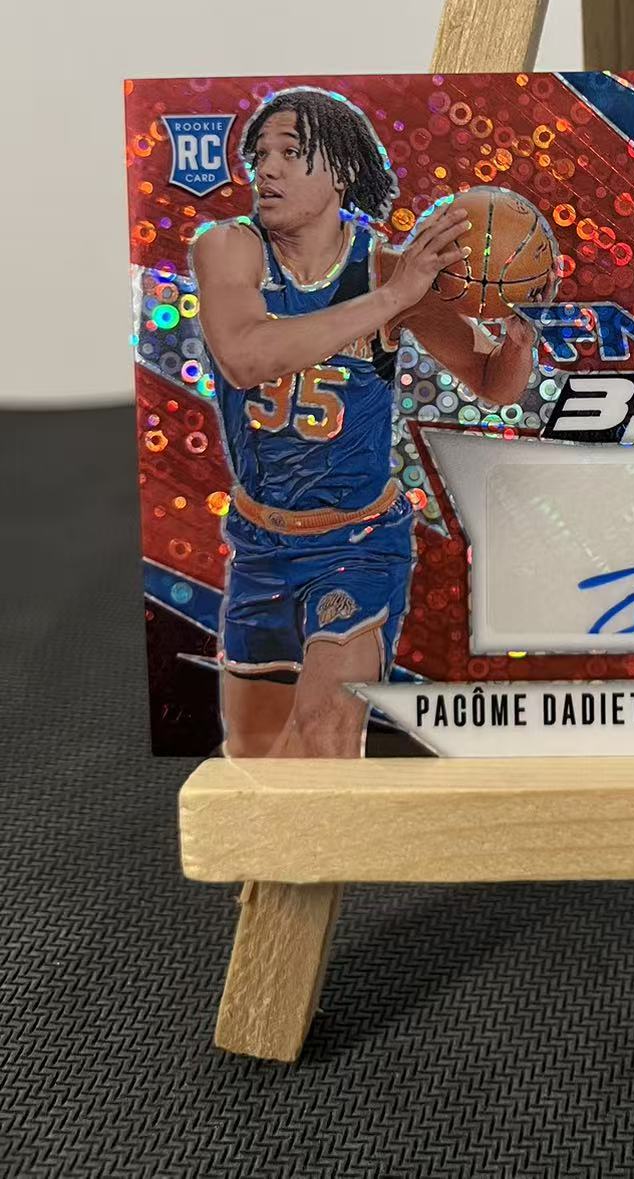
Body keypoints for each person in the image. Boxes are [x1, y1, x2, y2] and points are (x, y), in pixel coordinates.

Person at [191, 87, 537, 757]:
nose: (267, 169)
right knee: (252, 754)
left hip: (356, 544)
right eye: (260, 155)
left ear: (342, 171)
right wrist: (392, 299)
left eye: (291, 153)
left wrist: (519, 342)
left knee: (324, 733)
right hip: (259, 545)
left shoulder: (384, 271)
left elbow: (493, 384)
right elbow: (244, 357)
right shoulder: (228, 248)